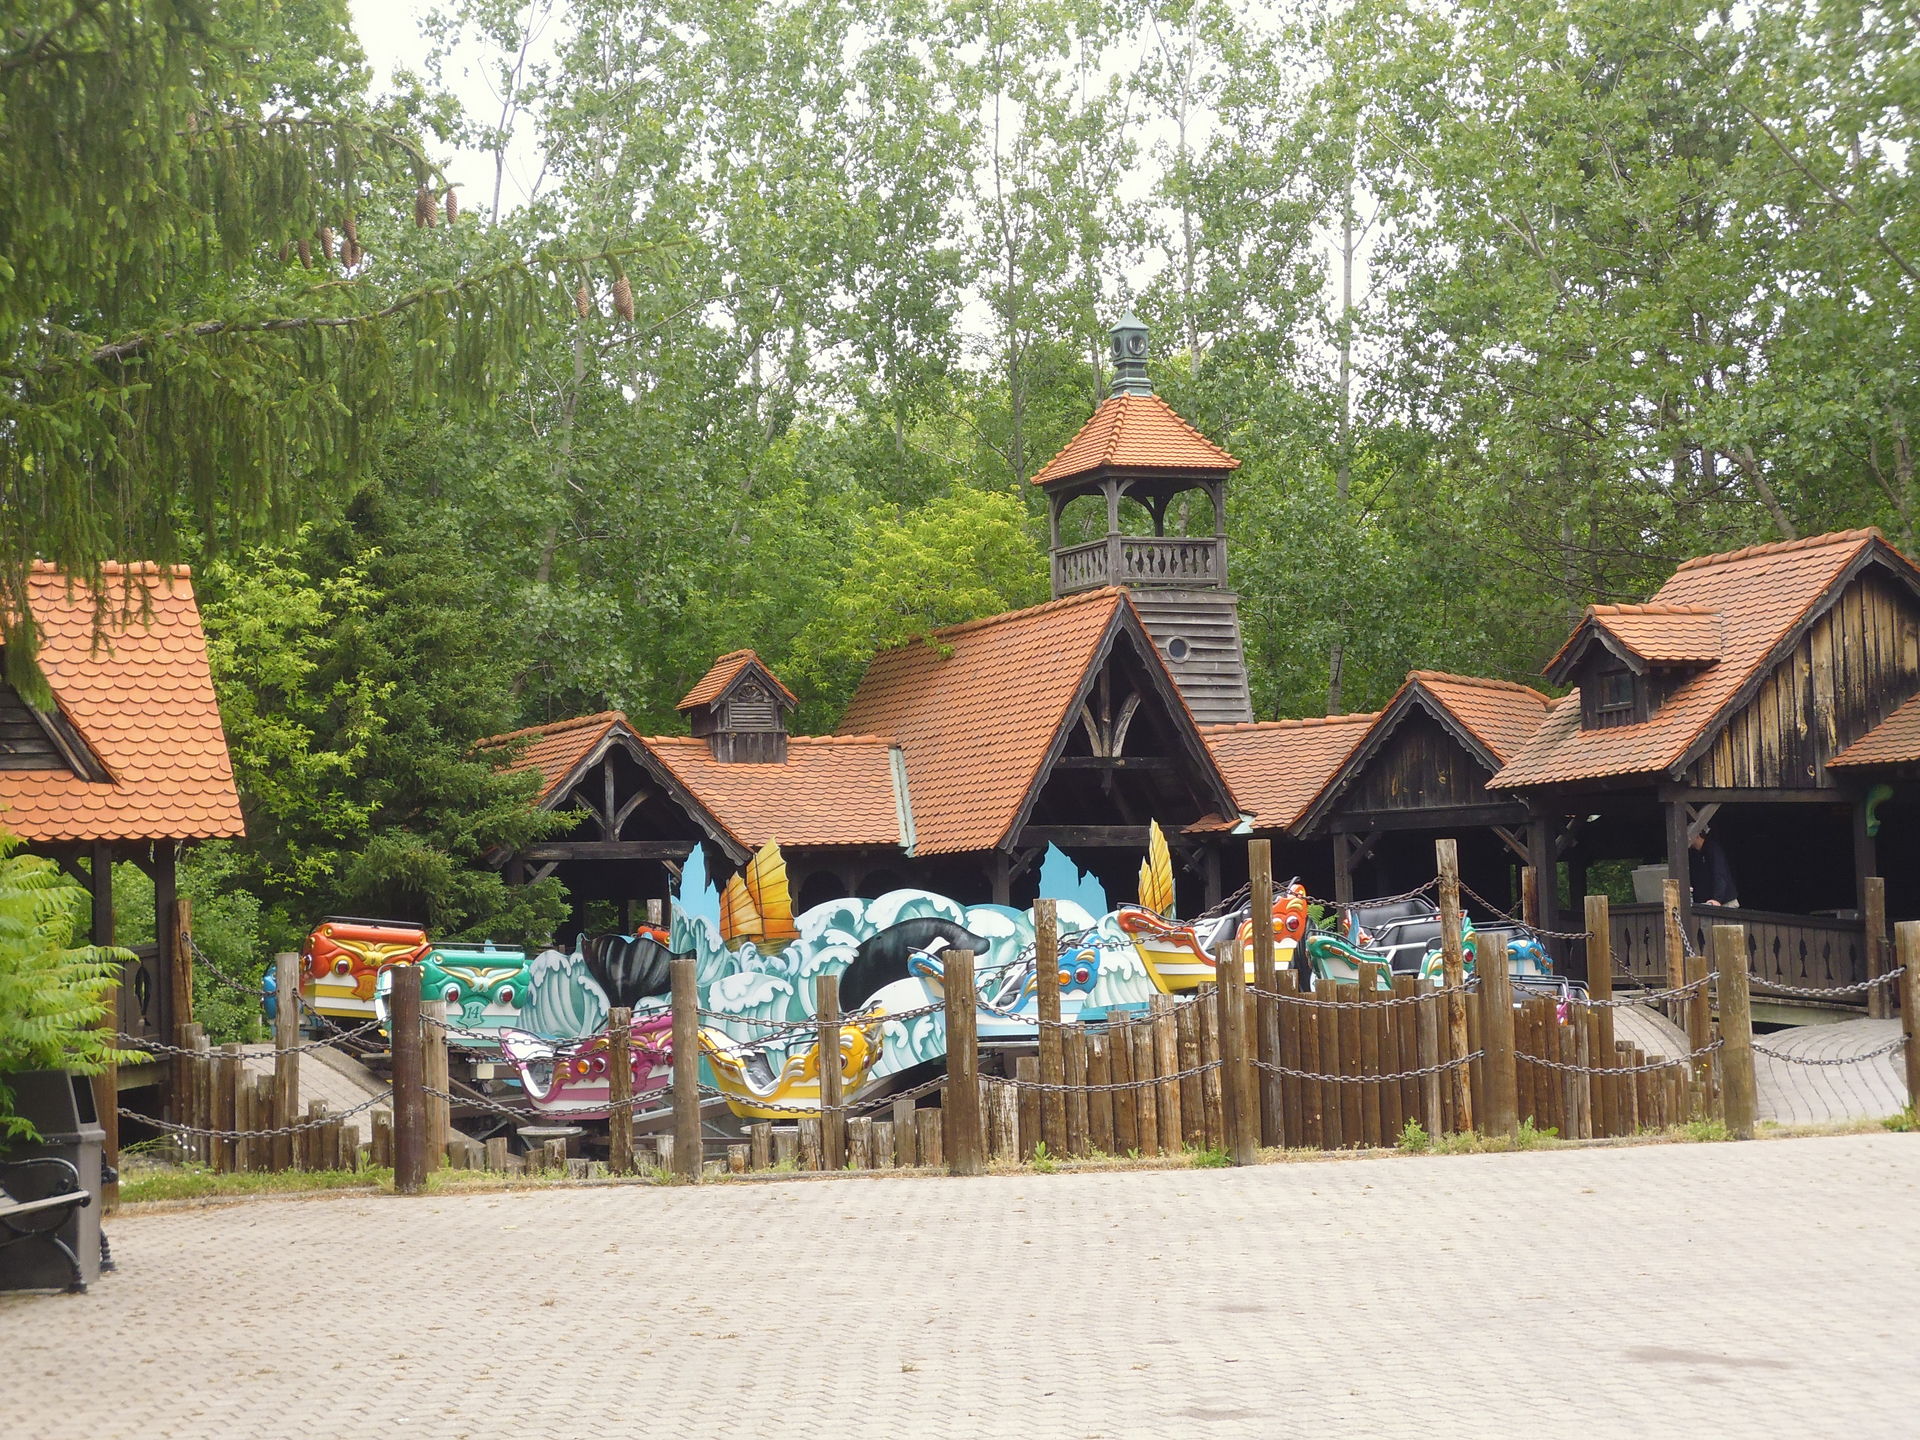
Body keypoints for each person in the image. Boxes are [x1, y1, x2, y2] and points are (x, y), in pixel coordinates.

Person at [1688, 826, 1738, 907]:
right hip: (1707, 903)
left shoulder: (1713, 848)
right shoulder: (1694, 854)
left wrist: (1717, 899)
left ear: (1697, 835)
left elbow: (1720, 874)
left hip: (1724, 902)